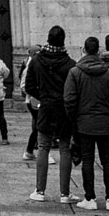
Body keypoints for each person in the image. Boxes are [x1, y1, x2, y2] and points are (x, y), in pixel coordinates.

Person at [64, 35, 109, 211]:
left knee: (87, 160)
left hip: (84, 123)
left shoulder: (75, 72)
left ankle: (90, 198)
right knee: (107, 162)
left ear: (84, 50)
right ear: (98, 51)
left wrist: (74, 118)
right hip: (105, 123)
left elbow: (69, 100)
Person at [25, 26, 76, 203]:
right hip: (63, 109)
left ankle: (40, 191)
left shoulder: (37, 61)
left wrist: (44, 96)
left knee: (43, 147)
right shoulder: (70, 64)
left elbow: (29, 86)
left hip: (45, 108)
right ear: (63, 41)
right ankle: (65, 193)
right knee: (64, 148)